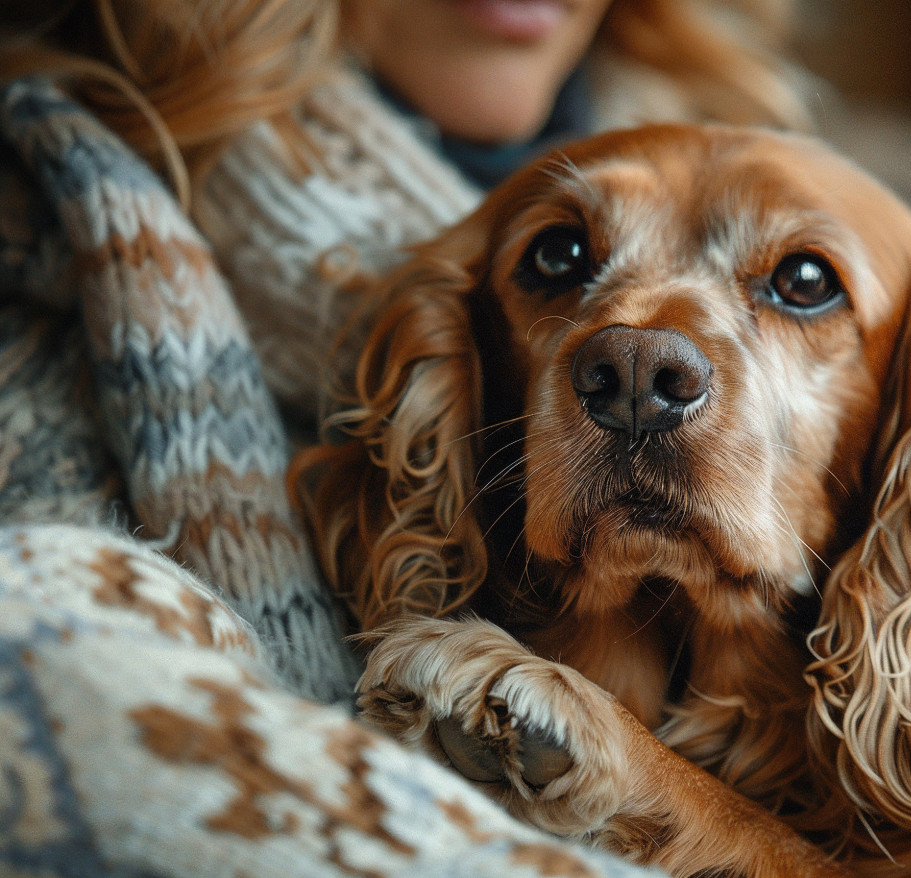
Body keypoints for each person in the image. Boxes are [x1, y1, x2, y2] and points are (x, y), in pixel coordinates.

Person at [0, 2, 808, 873]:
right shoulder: (46, 251)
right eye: (558, 262)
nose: (640, 358)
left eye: (798, 286)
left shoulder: (806, 202)